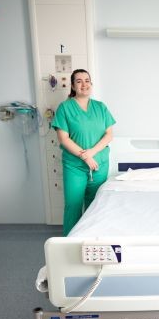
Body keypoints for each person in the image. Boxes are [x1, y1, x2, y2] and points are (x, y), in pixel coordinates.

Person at [51, 69, 116, 236]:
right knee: (73, 204)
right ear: (73, 86)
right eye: (79, 81)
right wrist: (84, 157)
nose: (84, 84)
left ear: (91, 84)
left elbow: (109, 135)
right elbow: (63, 139)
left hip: (99, 165)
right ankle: (70, 242)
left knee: (95, 204)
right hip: (75, 166)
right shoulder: (65, 108)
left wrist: (91, 153)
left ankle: (91, 239)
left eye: (87, 80)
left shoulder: (100, 107)